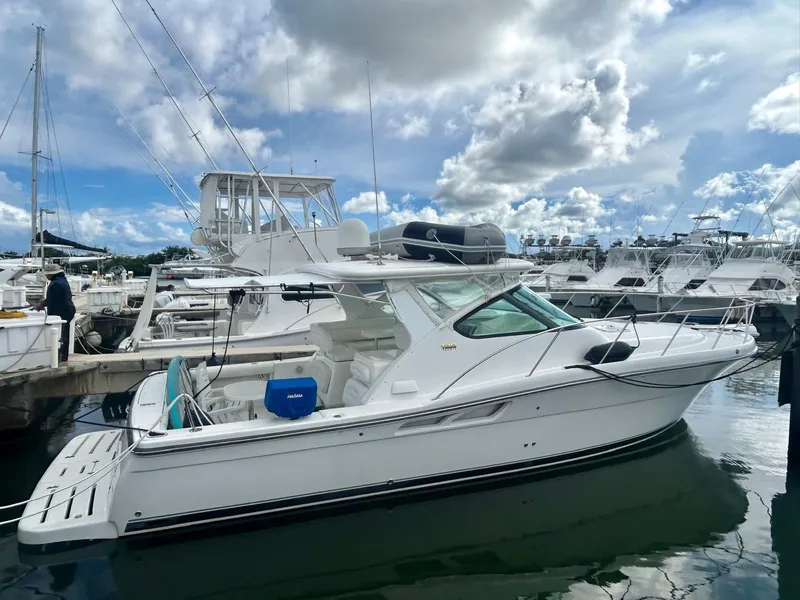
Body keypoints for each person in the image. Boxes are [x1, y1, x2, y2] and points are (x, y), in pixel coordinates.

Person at [34, 264, 76, 362]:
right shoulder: (62, 280)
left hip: (61, 311)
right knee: (64, 334)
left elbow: (51, 300)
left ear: (51, 274)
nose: (46, 276)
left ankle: (59, 357)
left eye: (47, 275)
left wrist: (40, 305)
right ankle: (63, 356)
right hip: (68, 309)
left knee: (60, 336)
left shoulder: (55, 284)